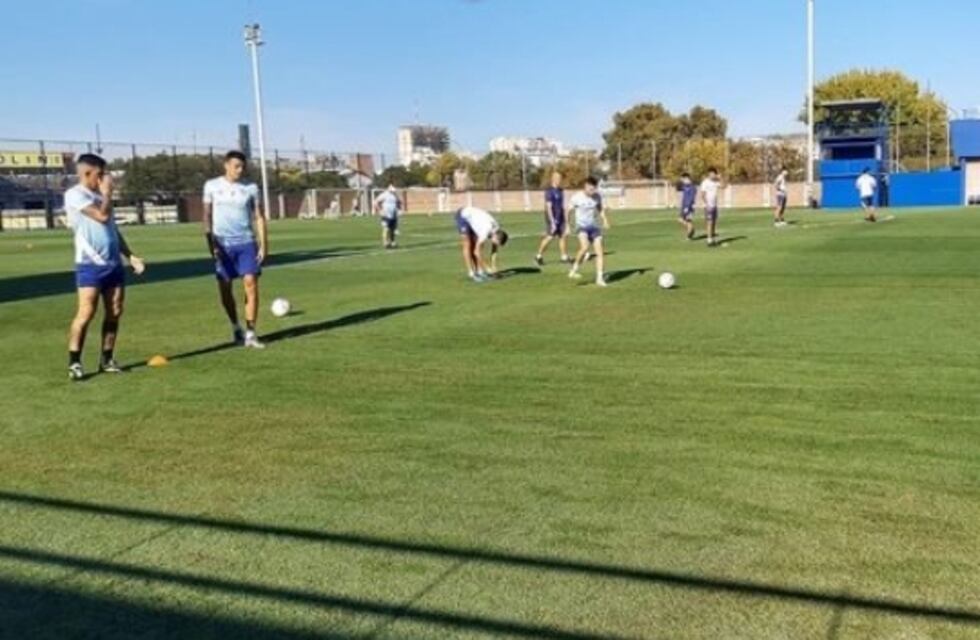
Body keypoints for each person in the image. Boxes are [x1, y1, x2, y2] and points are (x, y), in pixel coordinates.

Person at [65, 154, 146, 380]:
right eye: (99, 175)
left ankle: (107, 358)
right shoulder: (75, 195)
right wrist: (108, 194)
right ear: (86, 173)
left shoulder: (100, 196)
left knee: (115, 311)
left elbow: (112, 229)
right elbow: (101, 216)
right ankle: (74, 362)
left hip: (113, 264)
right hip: (90, 264)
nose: (103, 179)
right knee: (86, 312)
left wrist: (130, 256)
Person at [202, 150, 268, 350]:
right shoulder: (212, 186)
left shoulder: (250, 188)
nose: (239, 170)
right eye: (235, 166)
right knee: (225, 287)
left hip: (246, 242)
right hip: (222, 243)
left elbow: (259, 216)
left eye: (242, 167)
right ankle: (235, 325)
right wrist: (210, 242)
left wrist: (264, 244)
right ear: (226, 165)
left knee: (250, 282)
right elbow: (206, 216)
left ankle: (250, 332)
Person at [567, 177, 610, 287]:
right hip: (581, 227)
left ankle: (599, 279)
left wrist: (605, 220)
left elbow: (600, 208)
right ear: (585, 186)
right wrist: (567, 226)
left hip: (594, 226)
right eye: (590, 189)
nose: (592, 191)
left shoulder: (596, 196)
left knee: (599, 252)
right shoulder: (577, 197)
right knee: (585, 247)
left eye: (594, 189)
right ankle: (575, 268)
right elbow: (568, 211)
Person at [455, 205, 509, 282]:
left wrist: (493, 266)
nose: (494, 244)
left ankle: (479, 271)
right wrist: (487, 268)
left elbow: (494, 250)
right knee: (468, 244)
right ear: (495, 237)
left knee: (477, 244)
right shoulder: (486, 230)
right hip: (463, 216)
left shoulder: (497, 230)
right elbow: (476, 252)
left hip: (475, 221)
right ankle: (471, 273)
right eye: (496, 243)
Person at [534, 171, 570, 266]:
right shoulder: (549, 191)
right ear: (553, 179)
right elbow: (549, 207)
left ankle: (564, 256)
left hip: (560, 216)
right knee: (550, 237)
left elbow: (562, 205)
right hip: (552, 218)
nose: (559, 180)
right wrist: (552, 222)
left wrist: (565, 219)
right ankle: (538, 256)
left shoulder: (561, 191)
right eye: (557, 178)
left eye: (560, 178)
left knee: (563, 236)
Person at [700, 167, 723, 246]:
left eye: (714, 174)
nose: (713, 175)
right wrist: (707, 204)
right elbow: (702, 195)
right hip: (708, 206)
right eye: (711, 173)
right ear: (709, 174)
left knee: (714, 223)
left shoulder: (716, 182)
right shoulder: (705, 182)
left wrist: (720, 178)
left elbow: (724, 186)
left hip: (714, 205)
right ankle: (709, 240)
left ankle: (712, 239)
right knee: (709, 222)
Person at [677, 173, 697, 240]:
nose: (683, 181)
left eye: (683, 179)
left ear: (687, 178)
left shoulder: (692, 187)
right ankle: (691, 230)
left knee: (688, 220)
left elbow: (691, 198)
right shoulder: (685, 186)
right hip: (684, 206)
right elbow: (677, 187)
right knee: (681, 220)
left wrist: (688, 207)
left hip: (689, 207)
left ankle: (689, 234)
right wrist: (679, 181)